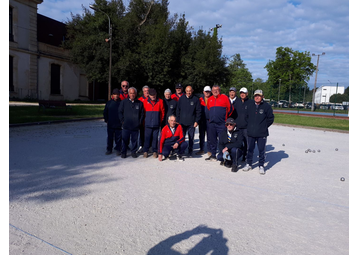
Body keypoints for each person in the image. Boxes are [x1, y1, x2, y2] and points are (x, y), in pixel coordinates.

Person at [242, 89, 274, 175]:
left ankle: (261, 165)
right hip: (251, 132)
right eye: (256, 95)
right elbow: (246, 117)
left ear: (262, 97)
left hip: (261, 133)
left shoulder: (266, 107)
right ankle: (249, 163)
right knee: (250, 149)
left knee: (261, 150)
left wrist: (263, 126)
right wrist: (250, 126)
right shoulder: (250, 105)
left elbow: (270, 119)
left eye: (259, 96)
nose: (257, 97)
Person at [205, 85, 233, 161]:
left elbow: (230, 109)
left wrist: (225, 118)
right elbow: (208, 110)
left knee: (222, 140)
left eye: (217, 90)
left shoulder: (225, 98)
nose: (215, 91)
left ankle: (222, 155)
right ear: (211, 91)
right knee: (212, 140)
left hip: (221, 123)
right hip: (212, 123)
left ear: (219, 90)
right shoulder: (210, 99)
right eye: (213, 90)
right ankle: (213, 154)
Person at [118, 87, 144, 158]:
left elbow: (142, 114)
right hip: (126, 125)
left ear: (136, 94)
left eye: (133, 93)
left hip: (135, 126)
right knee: (125, 140)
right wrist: (122, 121)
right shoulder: (123, 102)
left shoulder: (139, 103)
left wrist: (139, 122)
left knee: (134, 140)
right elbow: (120, 112)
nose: (132, 95)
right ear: (128, 94)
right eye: (131, 93)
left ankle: (133, 152)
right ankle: (124, 152)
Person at [176, 85, 201, 156]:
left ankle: (190, 151)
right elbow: (178, 110)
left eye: (190, 91)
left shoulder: (196, 99)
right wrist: (178, 120)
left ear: (192, 91)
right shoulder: (181, 99)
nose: (188, 92)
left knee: (191, 137)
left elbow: (198, 111)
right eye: (187, 91)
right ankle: (182, 150)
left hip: (191, 122)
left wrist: (197, 121)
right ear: (185, 91)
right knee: (181, 137)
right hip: (182, 122)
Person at [231, 87, 252, 162]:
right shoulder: (236, 102)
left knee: (247, 143)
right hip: (237, 126)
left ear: (247, 94)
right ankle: (238, 155)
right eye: (241, 93)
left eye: (244, 93)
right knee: (238, 142)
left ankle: (245, 156)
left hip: (246, 127)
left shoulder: (250, 102)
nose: (242, 94)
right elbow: (232, 113)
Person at [142, 88, 165, 158]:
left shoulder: (160, 101)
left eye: (154, 95)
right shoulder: (145, 102)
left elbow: (162, 112)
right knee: (147, 138)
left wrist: (160, 121)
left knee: (155, 138)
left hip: (156, 124)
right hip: (147, 124)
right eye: (151, 95)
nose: (153, 96)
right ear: (149, 95)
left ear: (156, 94)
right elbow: (143, 113)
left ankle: (155, 151)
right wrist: (144, 122)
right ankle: (145, 151)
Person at [103, 88, 122, 155]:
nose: (116, 96)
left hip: (119, 123)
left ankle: (118, 149)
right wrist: (106, 120)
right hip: (110, 123)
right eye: (115, 94)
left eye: (117, 94)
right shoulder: (109, 103)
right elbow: (105, 112)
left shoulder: (121, 103)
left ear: (119, 95)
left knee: (118, 138)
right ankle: (109, 149)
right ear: (112, 95)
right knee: (110, 137)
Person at [197, 86, 212, 155]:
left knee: (209, 135)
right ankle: (201, 149)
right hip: (202, 120)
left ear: (210, 92)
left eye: (208, 91)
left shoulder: (212, 99)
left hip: (209, 120)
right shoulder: (200, 99)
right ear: (203, 92)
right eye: (206, 91)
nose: (207, 93)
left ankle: (209, 150)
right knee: (201, 135)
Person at [138, 85, 150, 152]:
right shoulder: (140, 99)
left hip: (149, 119)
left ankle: (149, 146)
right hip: (142, 119)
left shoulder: (152, 98)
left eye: (147, 90)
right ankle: (141, 145)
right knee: (142, 133)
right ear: (143, 92)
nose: (146, 92)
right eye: (145, 91)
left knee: (149, 133)